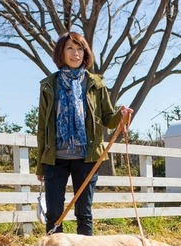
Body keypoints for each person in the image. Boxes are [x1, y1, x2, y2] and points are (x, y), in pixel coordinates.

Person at [36, 31, 133, 235]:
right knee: (54, 212)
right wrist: (40, 166)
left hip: (87, 157)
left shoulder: (95, 84)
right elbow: (42, 128)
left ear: (86, 53)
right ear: (61, 53)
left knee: (84, 212)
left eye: (80, 48)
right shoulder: (48, 85)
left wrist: (121, 115)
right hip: (55, 158)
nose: (75, 53)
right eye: (70, 48)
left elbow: (108, 118)